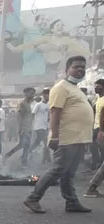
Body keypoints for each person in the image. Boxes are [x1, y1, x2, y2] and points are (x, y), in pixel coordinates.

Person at [24, 56, 93, 214]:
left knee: (69, 172)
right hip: (66, 138)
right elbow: (55, 112)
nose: (80, 69)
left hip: (78, 138)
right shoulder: (61, 87)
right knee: (58, 170)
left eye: (82, 67)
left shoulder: (75, 88)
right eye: (76, 67)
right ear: (67, 70)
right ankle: (33, 198)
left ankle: (71, 202)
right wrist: (55, 136)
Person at [5, 87, 35, 166]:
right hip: (24, 128)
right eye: (31, 93)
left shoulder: (31, 104)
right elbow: (19, 116)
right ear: (26, 93)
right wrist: (21, 128)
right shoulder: (22, 104)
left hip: (30, 128)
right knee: (24, 144)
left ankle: (10, 155)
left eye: (33, 93)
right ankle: (23, 161)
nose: (32, 95)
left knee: (24, 145)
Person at [85, 80, 104, 198]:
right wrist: (101, 131)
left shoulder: (99, 99)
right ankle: (92, 187)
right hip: (100, 130)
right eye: (95, 85)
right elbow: (102, 114)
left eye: (98, 86)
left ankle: (92, 187)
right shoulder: (99, 99)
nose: (95, 88)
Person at [29, 88, 51, 165]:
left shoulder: (48, 104)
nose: (49, 96)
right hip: (38, 127)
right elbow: (32, 115)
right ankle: (45, 160)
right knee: (46, 143)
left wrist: (49, 120)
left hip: (45, 126)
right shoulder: (38, 105)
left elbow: (48, 115)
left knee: (37, 142)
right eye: (48, 95)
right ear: (44, 95)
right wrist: (30, 126)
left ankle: (28, 151)